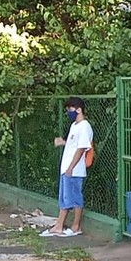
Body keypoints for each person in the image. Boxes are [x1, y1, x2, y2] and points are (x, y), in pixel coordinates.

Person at [42, 97, 92, 237]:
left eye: (70, 110)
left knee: (75, 198)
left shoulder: (84, 126)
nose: (68, 113)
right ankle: (59, 226)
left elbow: (81, 148)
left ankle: (76, 226)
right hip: (67, 169)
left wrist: (71, 167)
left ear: (78, 109)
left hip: (74, 170)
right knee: (65, 198)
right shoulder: (74, 126)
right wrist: (62, 142)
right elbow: (73, 144)